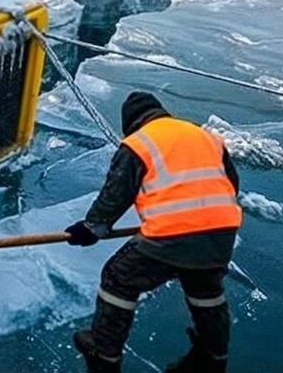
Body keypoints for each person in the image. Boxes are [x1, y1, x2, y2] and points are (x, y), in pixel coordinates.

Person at [65, 92, 241, 373]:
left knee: (118, 277)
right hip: (222, 230)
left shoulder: (138, 143)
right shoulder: (204, 136)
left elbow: (115, 195)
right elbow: (231, 183)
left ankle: (104, 352)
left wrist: (91, 228)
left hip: (172, 234)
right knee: (204, 286)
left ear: (131, 123)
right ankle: (214, 353)